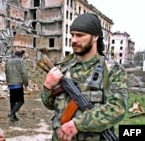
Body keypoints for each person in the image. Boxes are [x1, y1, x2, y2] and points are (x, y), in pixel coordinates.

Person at [40, 13, 129, 141]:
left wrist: (78, 124)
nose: (74, 40)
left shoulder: (112, 70)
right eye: (72, 35)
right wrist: (47, 87)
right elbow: (49, 104)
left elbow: (117, 108)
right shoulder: (62, 67)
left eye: (80, 35)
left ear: (95, 37)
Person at [5, 51, 29, 122]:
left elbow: (6, 72)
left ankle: (13, 117)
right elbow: (24, 73)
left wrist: (8, 81)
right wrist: (26, 83)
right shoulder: (21, 61)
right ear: (20, 56)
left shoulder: (8, 62)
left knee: (12, 101)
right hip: (18, 84)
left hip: (11, 84)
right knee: (20, 101)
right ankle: (12, 113)